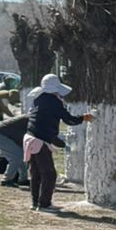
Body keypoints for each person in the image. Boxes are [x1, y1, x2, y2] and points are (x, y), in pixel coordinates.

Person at [24, 74, 89, 213]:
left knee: (36, 173)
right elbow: (68, 119)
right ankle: (44, 204)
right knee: (49, 173)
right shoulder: (53, 101)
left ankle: (35, 202)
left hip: (29, 137)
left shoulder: (38, 97)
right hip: (40, 140)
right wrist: (84, 117)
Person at [0, 110, 29, 187]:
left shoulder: (31, 118)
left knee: (20, 155)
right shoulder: (32, 120)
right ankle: (6, 180)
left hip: (5, 134)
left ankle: (23, 179)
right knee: (16, 157)